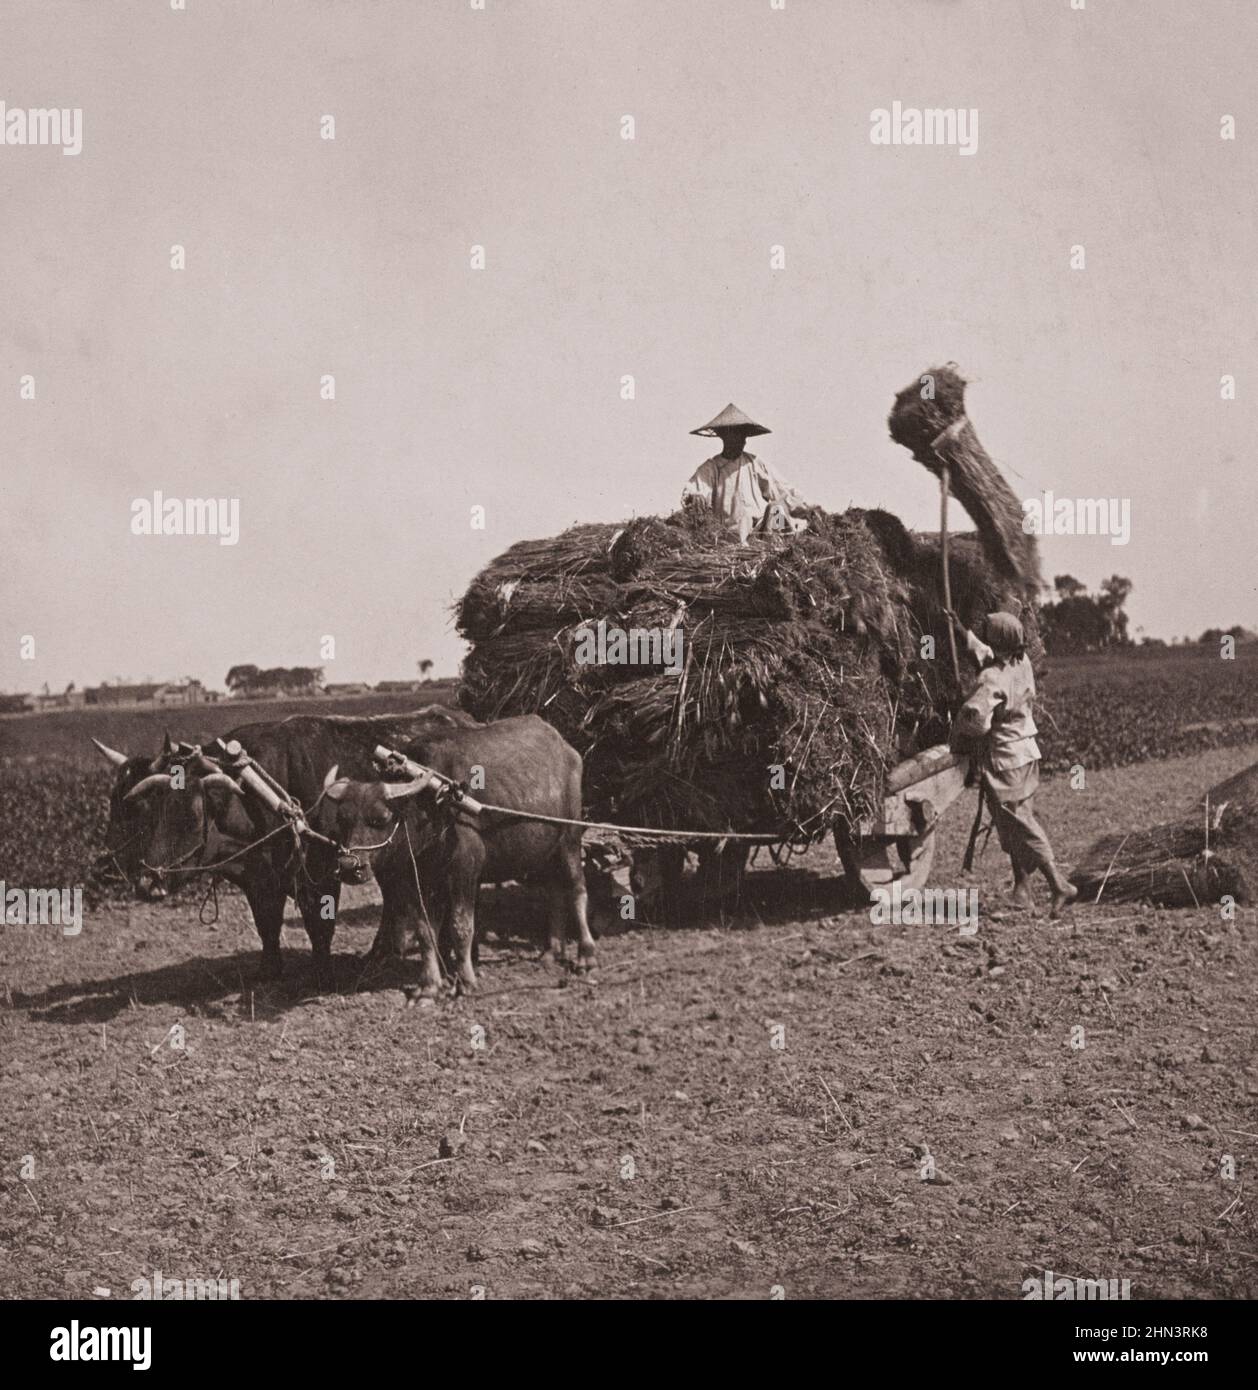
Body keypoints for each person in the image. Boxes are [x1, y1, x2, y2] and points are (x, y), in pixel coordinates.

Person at [947, 609, 1077, 917]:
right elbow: (989, 654)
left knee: (1019, 824)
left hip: (1005, 759)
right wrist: (962, 632)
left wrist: (960, 711)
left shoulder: (991, 678)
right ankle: (1023, 890)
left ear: (999, 642)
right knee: (1013, 821)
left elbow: (977, 721)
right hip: (1027, 753)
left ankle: (1059, 884)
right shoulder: (1022, 662)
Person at [682, 403, 810, 541]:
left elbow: (783, 489)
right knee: (741, 523)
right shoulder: (711, 468)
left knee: (776, 508)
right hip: (729, 534)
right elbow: (694, 490)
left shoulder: (754, 463)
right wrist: (696, 497)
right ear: (724, 437)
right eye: (735, 436)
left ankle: (778, 545)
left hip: (762, 530)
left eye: (743, 437)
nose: (742, 441)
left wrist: (805, 508)